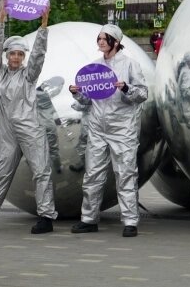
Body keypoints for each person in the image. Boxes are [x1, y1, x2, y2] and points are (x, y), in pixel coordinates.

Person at [0, 6, 57, 234]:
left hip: (31, 131)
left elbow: (38, 56)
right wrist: (0, 22)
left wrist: (43, 27)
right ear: (8, 56)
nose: (16, 57)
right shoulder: (0, 74)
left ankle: (46, 217)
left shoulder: (29, 75)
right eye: (12, 54)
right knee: (1, 173)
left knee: (41, 171)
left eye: (19, 54)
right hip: (8, 134)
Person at [69, 24, 147, 238]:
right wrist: (77, 93)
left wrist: (125, 88)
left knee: (125, 174)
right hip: (97, 127)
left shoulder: (130, 65)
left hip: (123, 128)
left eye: (105, 38)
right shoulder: (94, 67)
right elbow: (87, 101)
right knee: (93, 174)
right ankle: (89, 219)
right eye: (99, 38)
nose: (101, 41)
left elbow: (142, 94)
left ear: (116, 41)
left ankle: (130, 221)